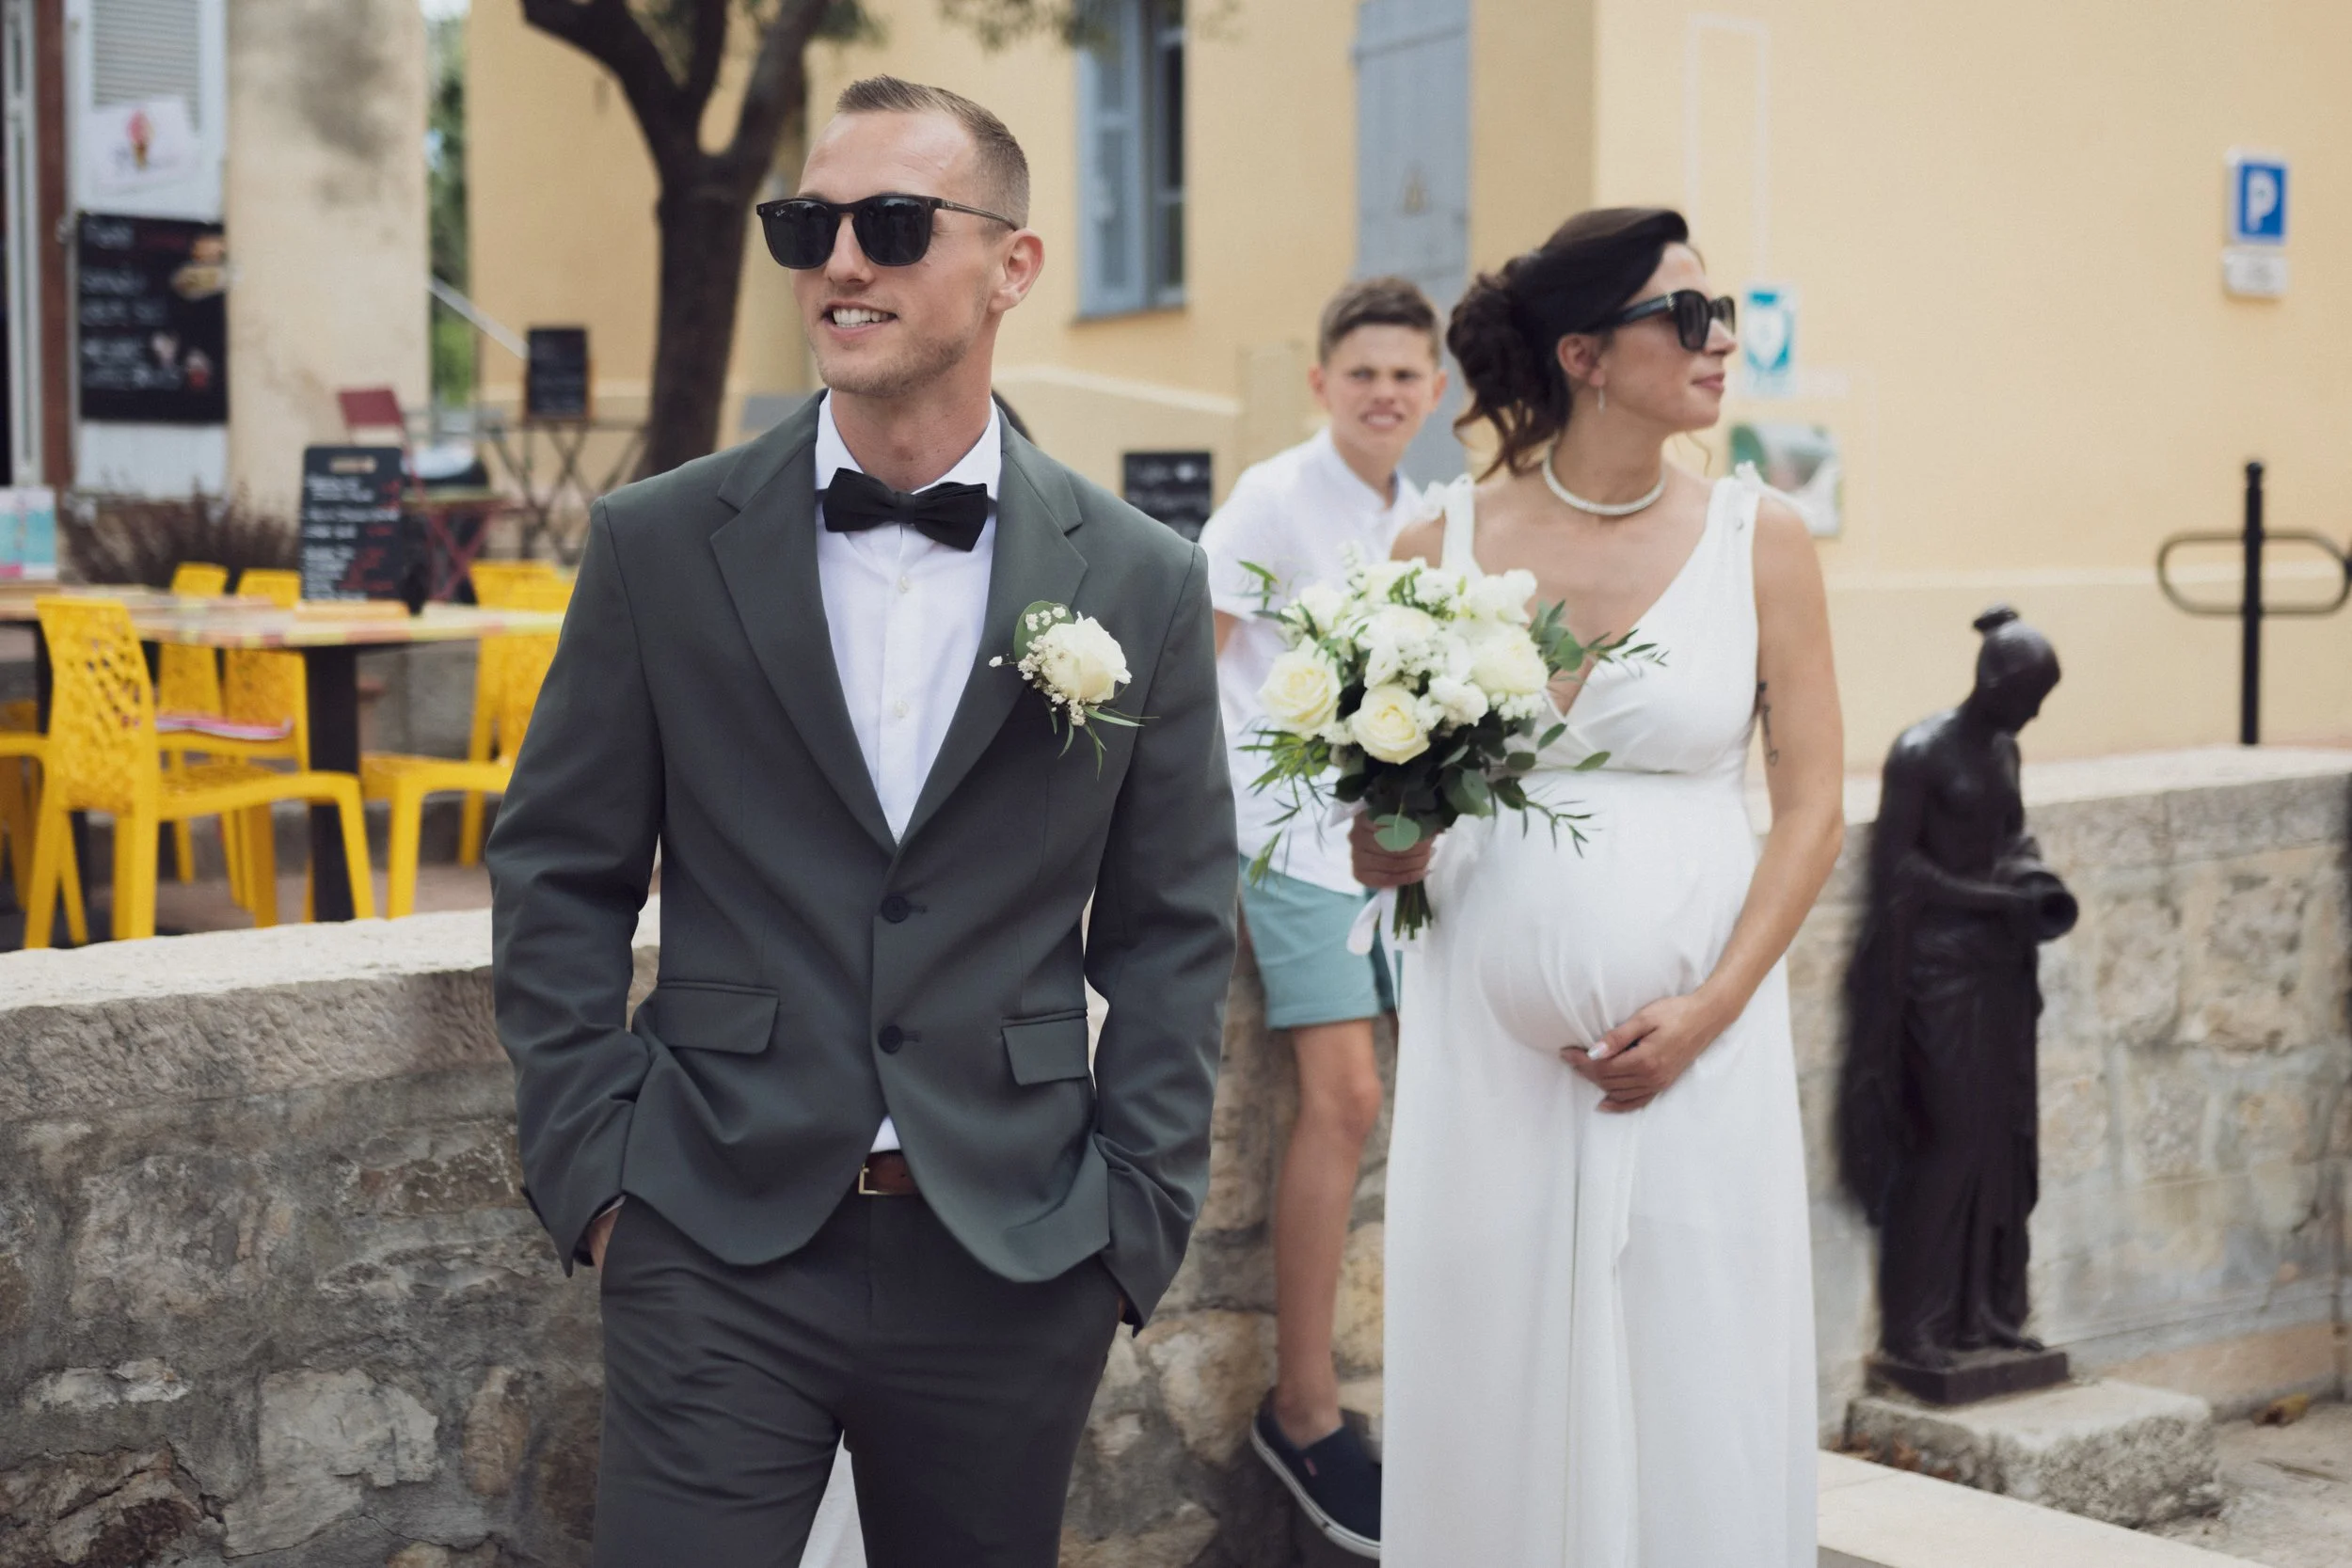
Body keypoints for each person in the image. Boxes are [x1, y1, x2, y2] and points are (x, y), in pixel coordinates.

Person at [487, 75, 1236, 1568]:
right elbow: (558, 870)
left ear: (1012, 265)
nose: (840, 262)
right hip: (710, 1229)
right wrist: (597, 1174)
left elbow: (1172, 929)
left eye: (891, 224)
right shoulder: (658, 542)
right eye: (807, 224)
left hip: (1013, 1250)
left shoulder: (1141, 577)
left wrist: (1129, 1217)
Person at [1355, 208, 1845, 1566]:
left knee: (1699, 1368)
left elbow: (1811, 802)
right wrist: (1383, 844)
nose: (1722, 340)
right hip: (1486, 1060)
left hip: (1699, 1051)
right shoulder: (1437, 544)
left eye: (1722, 309)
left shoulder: (1764, 536)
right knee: (1491, 1362)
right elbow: (1393, 810)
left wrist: (1714, 1007)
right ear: (1584, 353)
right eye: (1685, 316)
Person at [1198, 276, 1448, 1558]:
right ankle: (1302, 1406)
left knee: (1445, 1098)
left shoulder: (1431, 515)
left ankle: (1452, 1397)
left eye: (1408, 374)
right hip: (1288, 841)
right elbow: (1194, 656)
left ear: (1437, 389)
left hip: (1398, 850)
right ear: (1321, 383)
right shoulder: (1274, 499)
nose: (1386, 394)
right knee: (1342, 1097)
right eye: (1363, 374)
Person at [1840, 606, 2074, 1374]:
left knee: (1999, 1142)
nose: (2036, 712)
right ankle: (1914, 1325)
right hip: (1935, 972)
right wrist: (1989, 899)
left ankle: (1985, 1313)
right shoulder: (1921, 752)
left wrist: (2028, 877)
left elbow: (2009, 836)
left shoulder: (2006, 750)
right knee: (1942, 1140)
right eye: (2031, 695)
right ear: (1998, 681)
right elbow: (1897, 871)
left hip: (1999, 967)